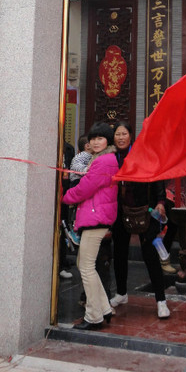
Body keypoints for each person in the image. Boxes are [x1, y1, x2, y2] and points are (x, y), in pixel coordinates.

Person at [110, 121, 170, 319]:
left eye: (124, 134)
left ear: (131, 136)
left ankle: (161, 300)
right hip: (120, 211)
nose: (120, 138)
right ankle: (121, 293)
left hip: (146, 210)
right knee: (119, 253)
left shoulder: (143, 154)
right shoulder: (111, 157)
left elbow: (157, 178)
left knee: (150, 255)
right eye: (117, 134)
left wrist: (161, 201)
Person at [62, 122, 119, 330]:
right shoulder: (102, 159)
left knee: (86, 267)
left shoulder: (104, 161)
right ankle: (104, 309)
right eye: (93, 138)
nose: (95, 142)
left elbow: (86, 187)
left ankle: (93, 317)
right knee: (86, 265)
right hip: (95, 217)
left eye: (100, 138)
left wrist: (64, 197)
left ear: (108, 141)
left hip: (96, 218)